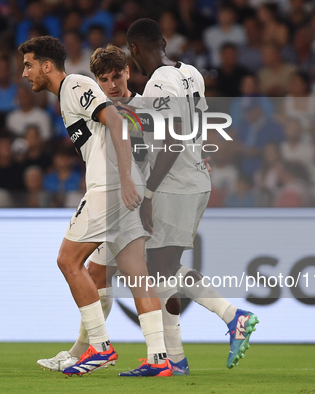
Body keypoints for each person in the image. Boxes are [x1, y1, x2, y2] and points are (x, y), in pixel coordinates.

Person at [19, 35, 171, 377]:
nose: (24, 73)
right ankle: (159, 356)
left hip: (112, 187)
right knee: (136, 272)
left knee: (68, 260)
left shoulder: (74, 85)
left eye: (29, 65)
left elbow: (116, 120)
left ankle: (100, 348)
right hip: (122, 187)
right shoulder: (66, 96)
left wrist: (127, 181)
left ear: (47, 66)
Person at [127, 18, 257, 370]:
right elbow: (194, 125)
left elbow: (171, 139)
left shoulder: (157, 83)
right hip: (196, 178)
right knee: (162, 271)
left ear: (135, 49)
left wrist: (149, 194)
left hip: (174, 185)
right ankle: (177, 359)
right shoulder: (193, 73)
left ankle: (232, 316)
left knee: (160, 269)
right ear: (164, 41)